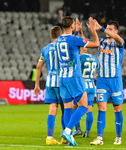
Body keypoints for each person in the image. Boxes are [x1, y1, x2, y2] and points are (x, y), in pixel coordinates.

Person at [56, 16, 99, 146]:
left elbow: (70, 40)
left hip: (62, 78)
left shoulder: (58, 39)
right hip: (74, 77)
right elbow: (96, 43)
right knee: (84, 106)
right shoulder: (74, 40)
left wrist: (77, 32)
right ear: (72, 26)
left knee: (68, 108)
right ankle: (68, 131)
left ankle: (69, 138)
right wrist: (93, 30)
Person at [90, 20, 124, 145]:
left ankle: (118, 137)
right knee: (101, 108)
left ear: (116, 31)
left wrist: (102, 29)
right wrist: (81, 31)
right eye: (107, 28)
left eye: (111, 29)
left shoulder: (119, 43)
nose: (108, 30)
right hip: (102, 80)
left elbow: (117, 38)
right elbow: (87, 43)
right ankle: (99, 138)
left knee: (117, 108)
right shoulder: (101, 43)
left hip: (115, 80)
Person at [34, 26, 66, 145]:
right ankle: (65, 136)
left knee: (52, 109)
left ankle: (49, 137)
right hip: (62, 82)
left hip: (50, 82)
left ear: (51, 36)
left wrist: (37, 84)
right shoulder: (63, 47)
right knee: (64, 109)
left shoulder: (45, 49)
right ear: (61, 35)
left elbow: (38, 67)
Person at [72, 47, 99, 138]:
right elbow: (99, 70)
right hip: (91, 86)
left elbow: (75, 71)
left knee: (73, 107)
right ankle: (87, 132)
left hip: (82, 86)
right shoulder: (94, 58)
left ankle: (78, 129)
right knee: (89, 110)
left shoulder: (80, 58)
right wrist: (95, 77)